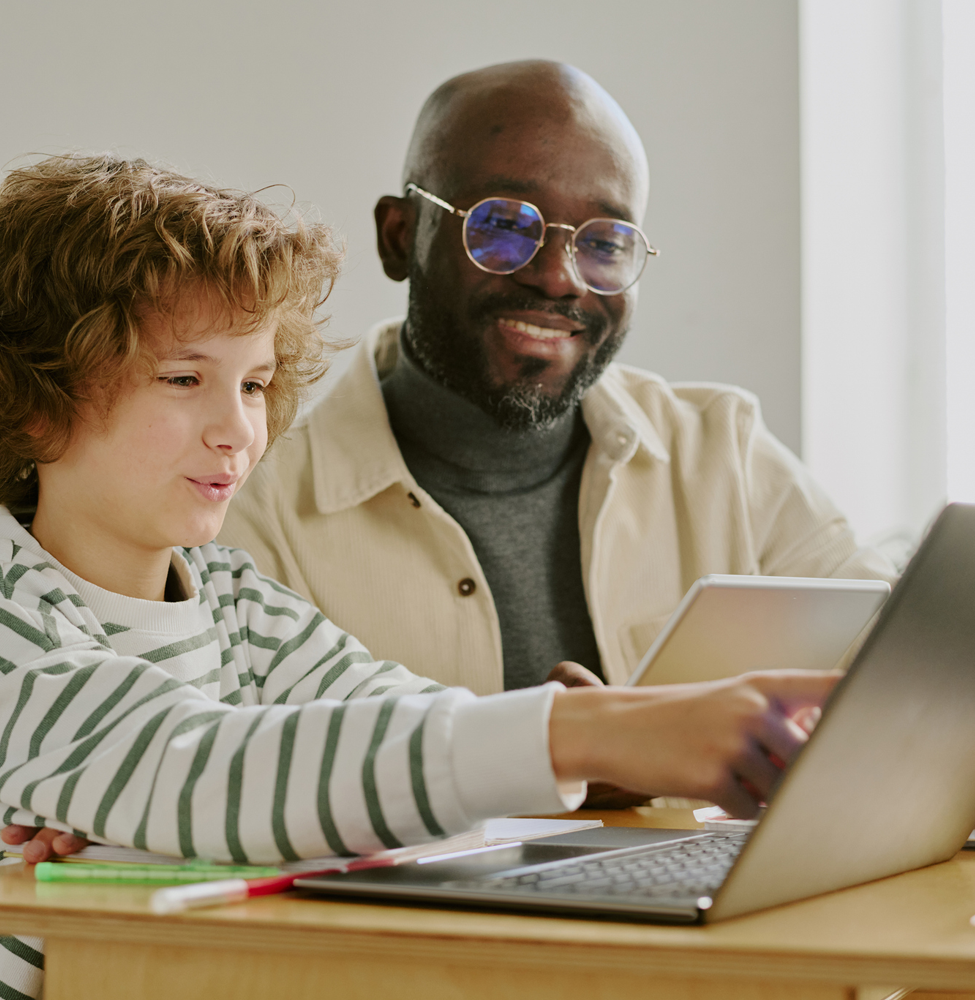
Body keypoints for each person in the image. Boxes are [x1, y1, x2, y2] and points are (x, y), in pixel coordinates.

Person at [0, 153, 834, 998]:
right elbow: (209, 773)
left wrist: (149, 837)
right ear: (37, 394)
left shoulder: (238, 604)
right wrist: (593, 729)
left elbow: (384, 730)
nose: (236, 429)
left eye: (255, 384)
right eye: (184, 378)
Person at [219, 60, 895, 700]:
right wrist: (552, 752)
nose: (556, 276)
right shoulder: (255, 508)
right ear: (401, 236)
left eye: (604, 242)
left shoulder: (725, 454)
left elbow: (893, 664)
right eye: (504, 226)